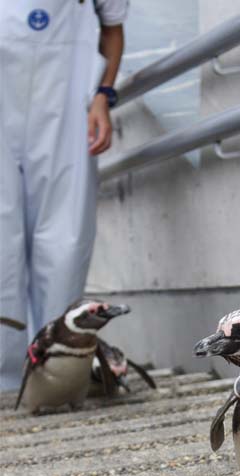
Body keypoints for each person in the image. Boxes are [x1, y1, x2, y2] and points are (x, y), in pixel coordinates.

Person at [0, 0, 128, 391]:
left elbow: (112, 29)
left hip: (67, 109)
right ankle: (5, 377)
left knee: (65, 242)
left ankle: (57, 370)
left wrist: (103, 96)